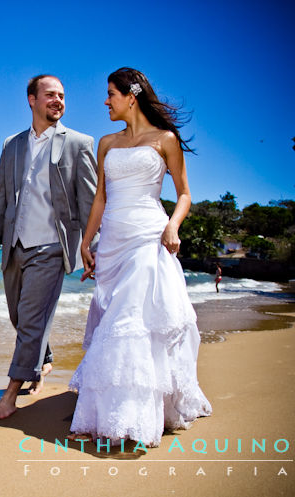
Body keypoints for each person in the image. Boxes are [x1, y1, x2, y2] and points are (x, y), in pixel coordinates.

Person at [67, 68, 211, 446]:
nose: (105, 101)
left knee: (134, 319)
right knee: (113, 320)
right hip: (113, 238)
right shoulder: (107, 143)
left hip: (149, 234)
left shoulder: (165, 139)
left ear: (131, 97)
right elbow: (101, 197)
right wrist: (87, 242)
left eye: (110, 93)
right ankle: (108, 408)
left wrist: (173, 227)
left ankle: (136, 416)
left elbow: (183, 193)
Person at [0, 75, 98, 419]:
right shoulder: (11, 144)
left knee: (30, 321)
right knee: (20, 317)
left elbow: (89, 201)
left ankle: (10, 397)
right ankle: (41, 360)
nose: (57, 101)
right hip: (15, 245)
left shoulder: (78, 143)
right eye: (50, 95)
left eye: (61, 96)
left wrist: (93, 247)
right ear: (32, 99)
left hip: (52, 247)